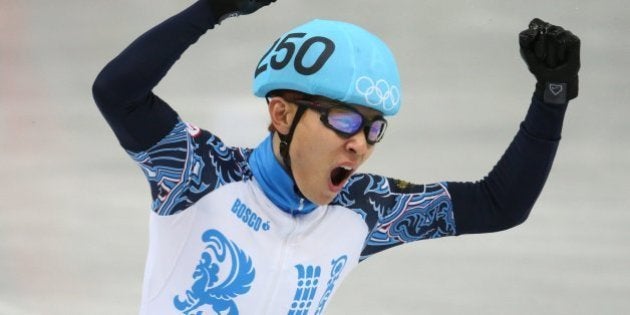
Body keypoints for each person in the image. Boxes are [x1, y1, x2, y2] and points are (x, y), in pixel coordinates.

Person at [92, 0, 581, 314]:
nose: (360, 144)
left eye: (374, 128)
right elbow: (117, 92)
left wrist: (552, 96)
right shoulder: (200, 173)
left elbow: (500, 205)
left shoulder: (364, 211)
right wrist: (213, 7)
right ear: (281, 116)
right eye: (345, 121)